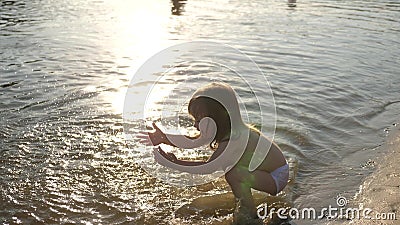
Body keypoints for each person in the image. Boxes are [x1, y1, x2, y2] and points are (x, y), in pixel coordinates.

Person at [139, 82, 289, 223]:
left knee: (233, 172)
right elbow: (192, 140)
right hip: (264, 169)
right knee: (230, 168)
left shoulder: (234, 138)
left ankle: (250, 214)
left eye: (199, 119)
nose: (195, 125)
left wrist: (174, 162)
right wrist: (164, 138)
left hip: (276, 176)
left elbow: (208, 167)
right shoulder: (229, 131)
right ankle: (242, 204)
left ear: (218, 118)